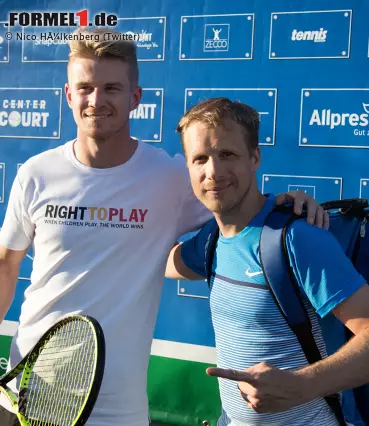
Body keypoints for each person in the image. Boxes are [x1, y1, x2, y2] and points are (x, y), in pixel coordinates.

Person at [0, 28, 326, 426]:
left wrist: (288, 203)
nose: (97, 101)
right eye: (84, 88)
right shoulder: (36, 174)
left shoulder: (171, 177)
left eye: (112, 88)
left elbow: (238, 206)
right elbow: (5, 264)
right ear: (68, 95)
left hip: (117, 409)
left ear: (135, 97)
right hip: (27, 391)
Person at [165, 97, 369, 426]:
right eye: (200, 158)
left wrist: (304, 385)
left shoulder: (297, 238)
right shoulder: (210, 239)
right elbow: (162, 260)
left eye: (227, 154)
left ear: (255, 158)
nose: (213, 171)